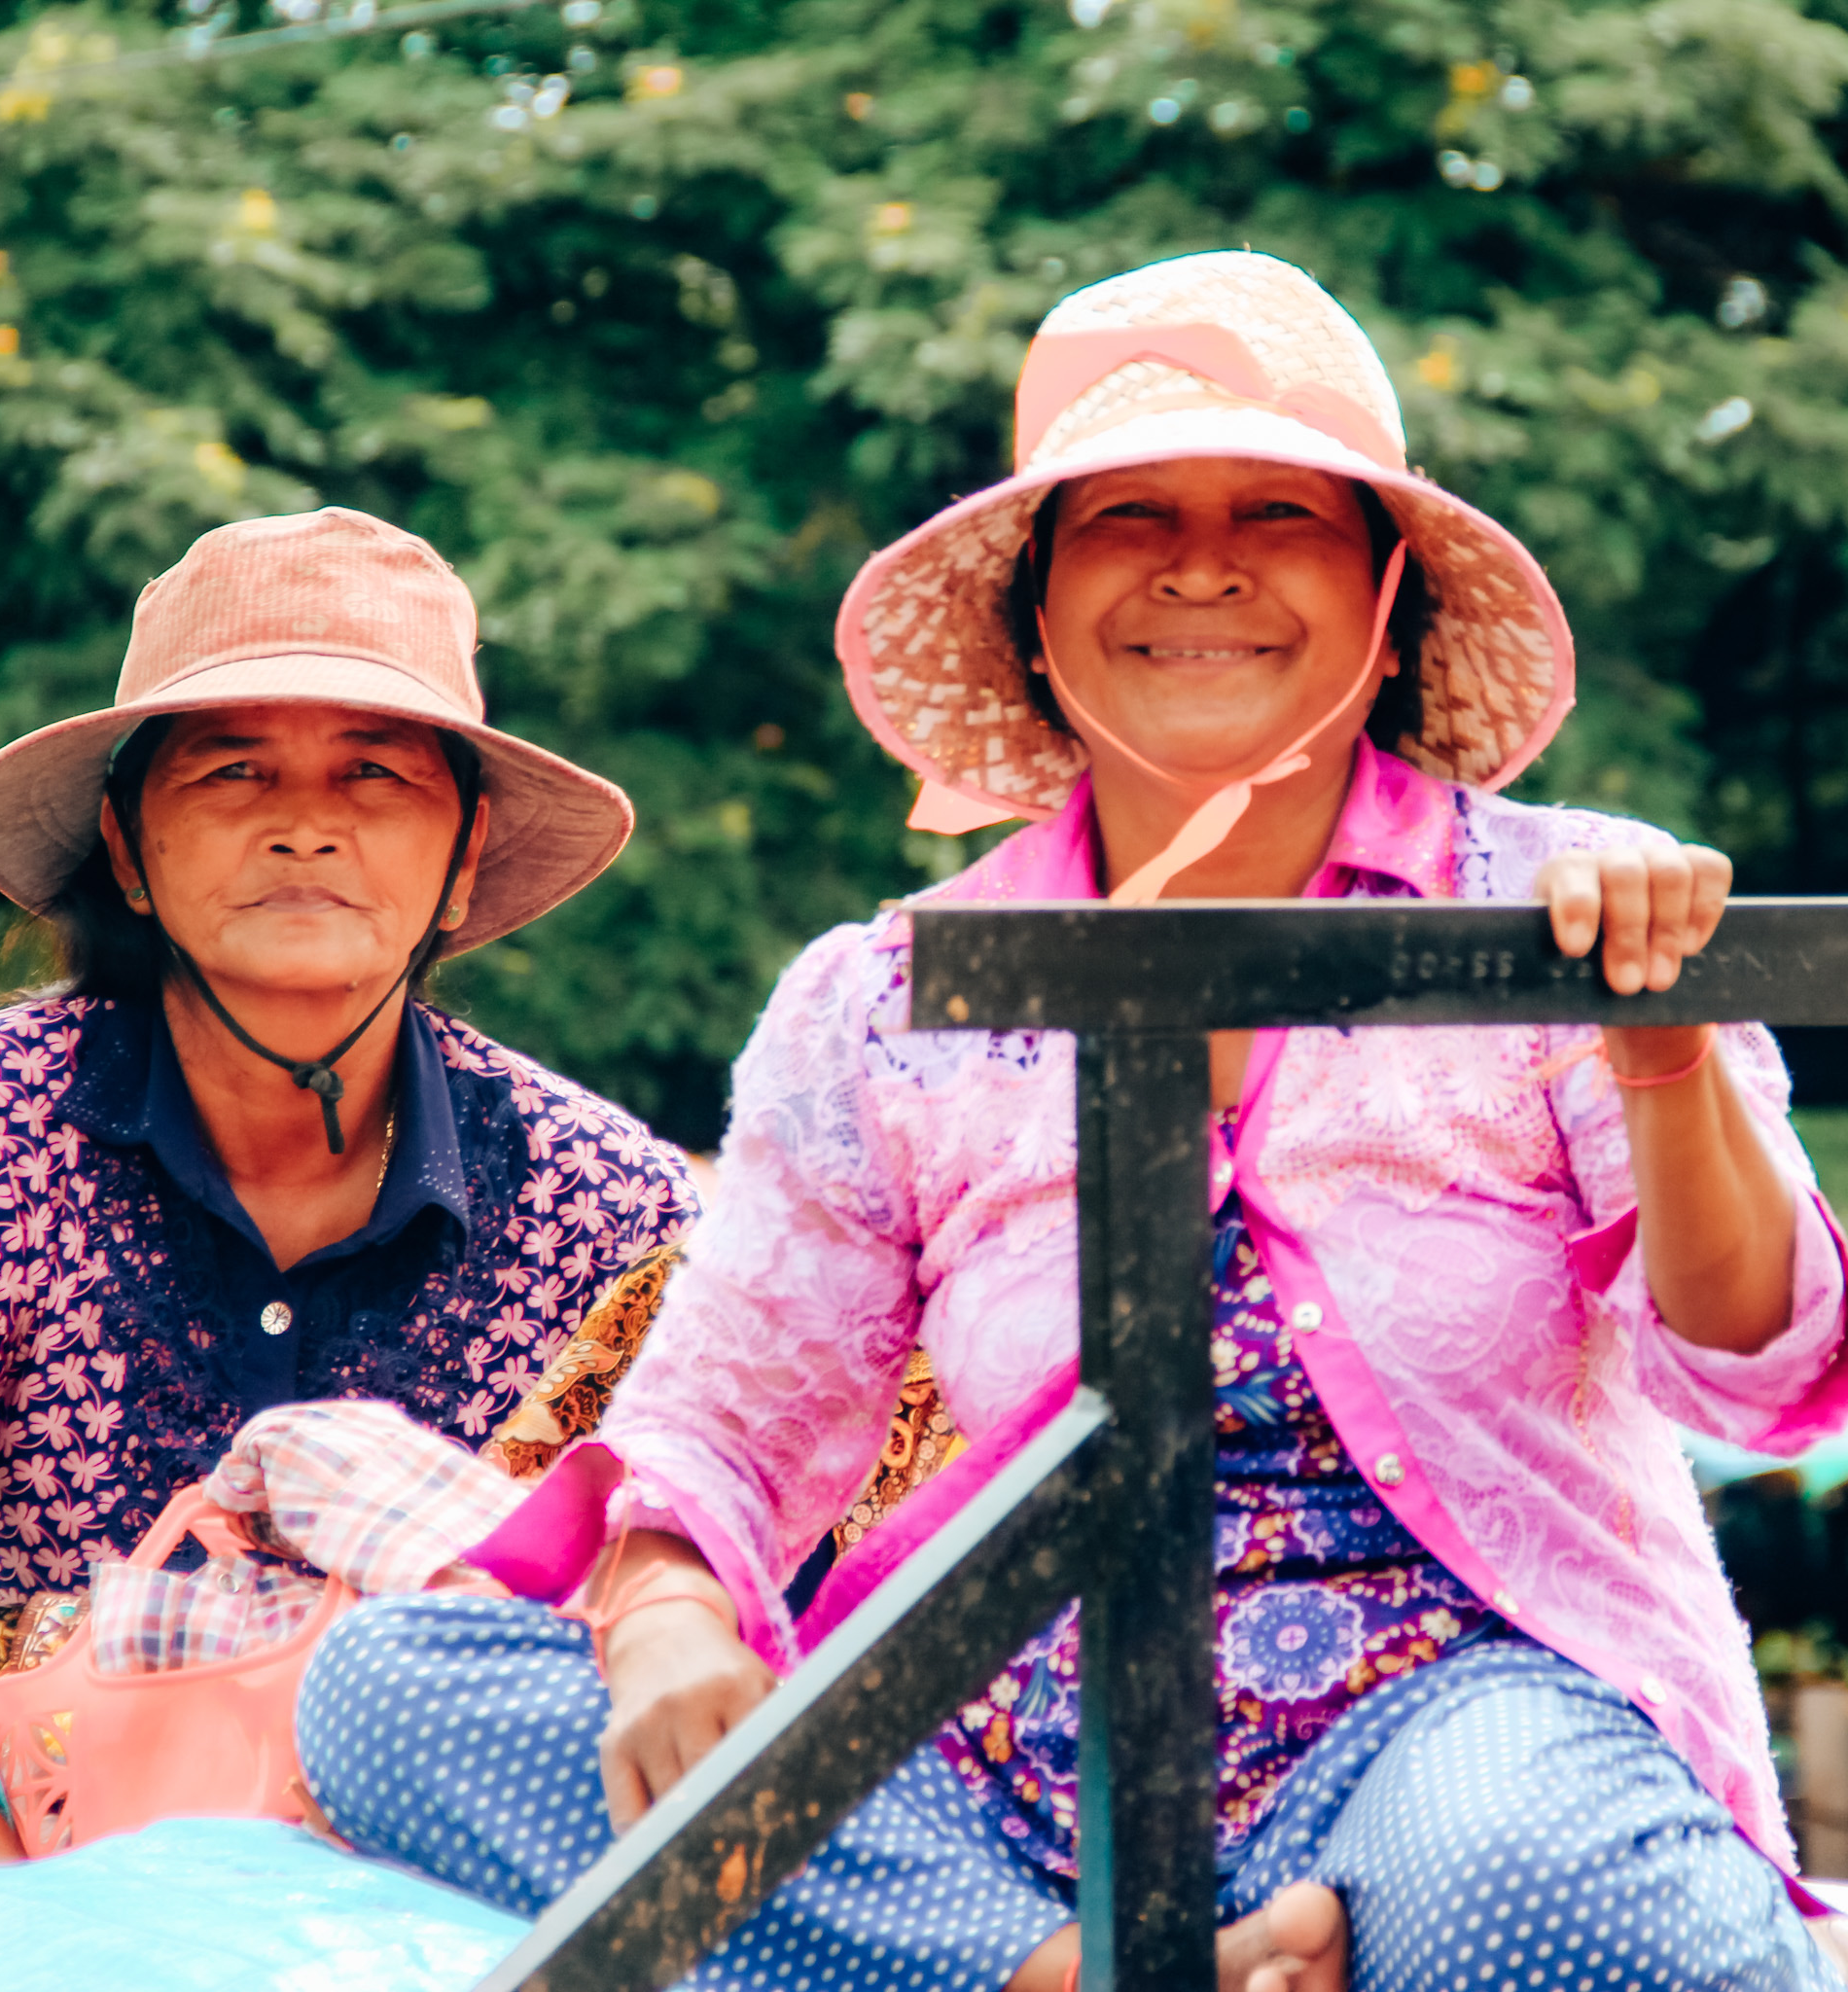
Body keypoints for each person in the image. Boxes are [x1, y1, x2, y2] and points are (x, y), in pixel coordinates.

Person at [297, 254, 1848, 1992]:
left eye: (1280, 510)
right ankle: (1059, 1976)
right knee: (398, 1691)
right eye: (1127, 519)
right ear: (1036, 609)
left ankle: (1305, 1927)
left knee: (1567, 1896)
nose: (1203, 565)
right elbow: (729, 1420)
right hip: (1007, 1739)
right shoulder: (883, 998)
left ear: (1389, 589)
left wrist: (1663, 1043)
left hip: (1463, 1713)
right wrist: (661, 1620)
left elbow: (1757, 1374)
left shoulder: (1565, 902)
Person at [0, 508, 696, 1910]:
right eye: (235, 769)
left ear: (466, 855)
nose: (306, 823)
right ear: (131, 846)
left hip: (410, 1873)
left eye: (374, 772)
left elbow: (599, 1625)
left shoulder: (603, 1201)